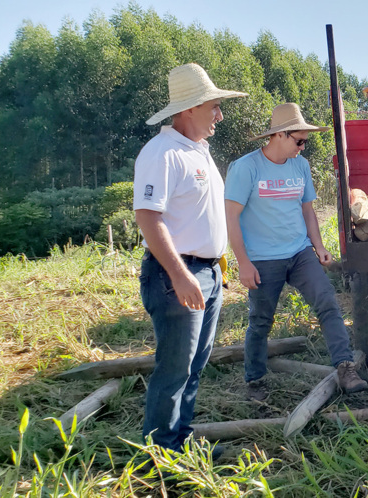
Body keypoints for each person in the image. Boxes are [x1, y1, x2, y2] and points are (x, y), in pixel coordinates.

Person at [134, 63, 247, 453]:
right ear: (188, 109)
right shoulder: (162, 153)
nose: (219, 114)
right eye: (213, 107)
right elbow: (148, 217)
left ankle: (179, 444)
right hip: (177, 275)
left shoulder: (198, 151)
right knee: (174, 370)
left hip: (208, 274)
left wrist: (218, 268)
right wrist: (181, 276)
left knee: (194, 367)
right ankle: (158, 459)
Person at [225, 103, 367, 400]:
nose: (303, 147)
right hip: (263, 258)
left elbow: (308, 211)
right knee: (261, 320)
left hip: (300, 252)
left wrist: (319, 246)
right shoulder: (246, 168)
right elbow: (231, 218)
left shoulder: (300, 166)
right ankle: (255, 381)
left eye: (306, 141)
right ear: (279, 135)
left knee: (328, 303)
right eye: (299, 140)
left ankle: (345, 367)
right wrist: (243, 262)